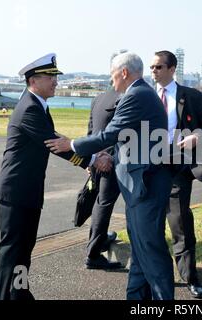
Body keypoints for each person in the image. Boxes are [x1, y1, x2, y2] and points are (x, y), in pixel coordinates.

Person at [45, 52, 175, 300]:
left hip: (145, 185)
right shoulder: (141, 93)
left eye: (112, 74)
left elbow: (110, 135)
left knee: (151, 250)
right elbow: (129, 143)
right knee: (139, 250)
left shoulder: (137, 95)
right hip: (138, 184)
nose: (111, 80)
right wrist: (101, 159)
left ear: (124, 73)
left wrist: (71, 145)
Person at [0, 53, 93, 300]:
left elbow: (54, 139)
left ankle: (19, 293)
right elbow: (53, 142)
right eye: (51, 77)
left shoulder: (37, 105)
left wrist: (87, 159)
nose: (56, 82)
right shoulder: (29, 108)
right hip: (15, 193)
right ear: (34, 80)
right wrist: (90, 161)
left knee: (23, 250)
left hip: (27, 192)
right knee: (11, 252)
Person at [150, 50, 202, 298]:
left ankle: (190, 277)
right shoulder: (144, 95)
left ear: (171, 68)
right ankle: (153, 277)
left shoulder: (191, 96)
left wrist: (196, 137)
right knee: (150, 225)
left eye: (158, 67)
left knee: (180, 223)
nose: (154, 71)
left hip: (178, 169)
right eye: (152, 67)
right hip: (150, 170)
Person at [83, 85, 123, 270]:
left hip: (98, 158)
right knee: (104, 204)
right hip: (113, 160)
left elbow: (91, 131)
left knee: (101, 203)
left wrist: (91, 160)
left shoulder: (98, 98)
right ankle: (93, 252)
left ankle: (97, 242)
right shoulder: (124, 98)